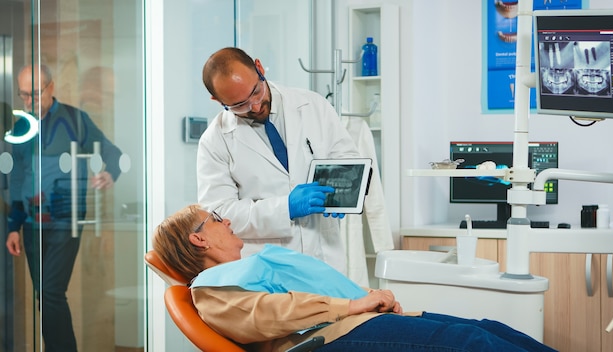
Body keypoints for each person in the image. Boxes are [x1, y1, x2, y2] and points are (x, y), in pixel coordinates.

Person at [152, 204, 557, 352]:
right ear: (199, 238)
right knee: (474, 344)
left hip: (356, 321)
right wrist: (356, 305)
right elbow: (272, 313)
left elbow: (319, 290)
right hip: (326, 339)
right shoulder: (210, 291)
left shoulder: (243, 268)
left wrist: (371, 297)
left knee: (489, 330)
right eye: (217, 218)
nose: (228, 221)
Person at [197, 47, 361, 274]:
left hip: (325, 257)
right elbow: (221, 213)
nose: (254, 106)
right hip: (268, 268)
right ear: (217, 100)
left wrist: (343, 193)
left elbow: (347, 158)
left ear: (260, 68)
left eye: (256, 92)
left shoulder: (312, 105)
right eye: (238, 105)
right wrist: (285, 208)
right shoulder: (214, 141)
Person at [5, 64, 123, 352]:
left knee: (50, 292)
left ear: (51, 87)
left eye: (34, 93)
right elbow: (19, 178)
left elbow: (113, 154)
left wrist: (109, 173)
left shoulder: (74, 119)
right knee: (43, 296)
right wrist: (13, 227)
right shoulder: (21, 127)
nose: (29, 101)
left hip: (65, 220)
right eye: (23, 95)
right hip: (32, 223)